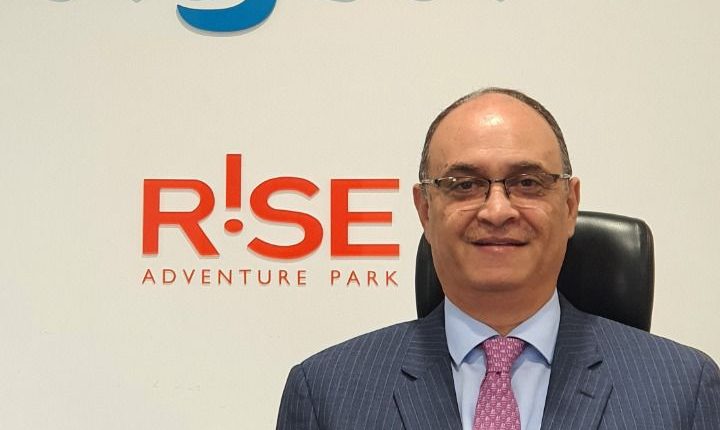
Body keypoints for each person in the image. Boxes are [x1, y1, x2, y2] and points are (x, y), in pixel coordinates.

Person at [276, 88, 720, 429]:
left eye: (527, 183)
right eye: (464, 185)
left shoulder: (683, 389)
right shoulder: (328, 394)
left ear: (570, 205)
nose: (497, 211)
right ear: (425, 210)